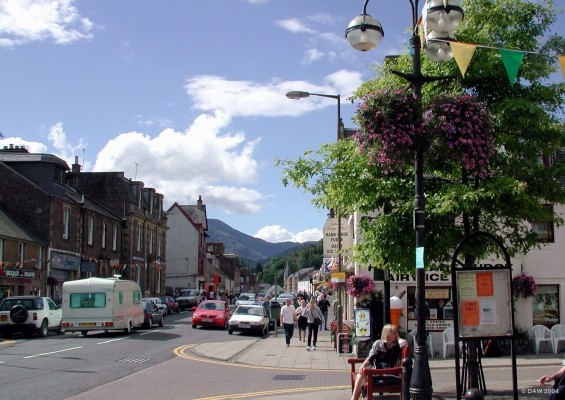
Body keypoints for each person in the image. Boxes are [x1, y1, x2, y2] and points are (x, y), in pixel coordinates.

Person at [350, 324, 406, 400]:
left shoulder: (396, 346)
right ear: (388, 334)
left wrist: (398, 337)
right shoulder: (378, 344)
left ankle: (359, 397)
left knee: (362, 376)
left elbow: (405, 343)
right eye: (394, 333)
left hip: (388, 372)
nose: (396, 334)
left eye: (397, 333)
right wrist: (363, 365)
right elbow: (370, 358)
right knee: (361, 374)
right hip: (376, 369)